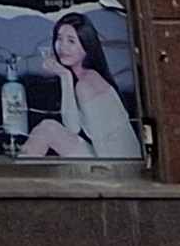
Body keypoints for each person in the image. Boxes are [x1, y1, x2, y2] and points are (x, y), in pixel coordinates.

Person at [19, 11, 141, 160]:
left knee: (47, 130)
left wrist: (65, 77)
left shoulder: (87, 83)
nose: (63, 47)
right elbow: (73, 126)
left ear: (87, 46)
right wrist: (65, 77)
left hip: (116, 161)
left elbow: (72, 128)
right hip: (105, 154)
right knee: (47, 128)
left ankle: (18, 172)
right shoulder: (86, 77)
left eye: (71, 41)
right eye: (59, 39)